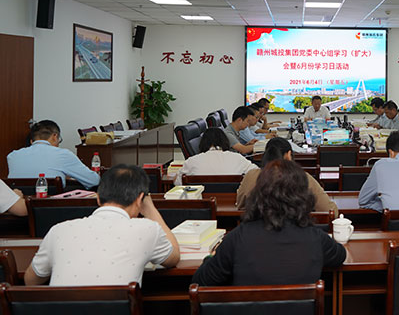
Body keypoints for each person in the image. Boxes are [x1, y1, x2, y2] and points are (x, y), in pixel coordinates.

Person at [193, 159, 346, 286]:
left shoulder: (236, 238)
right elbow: (340, 255)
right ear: (302, 196)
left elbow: (200, 281)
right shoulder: (316, 238)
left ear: (259, 193)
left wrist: (212, 256)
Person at [24, 164, 179, 286]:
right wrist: (150, 209)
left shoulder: (58, 230)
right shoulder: (147, 229)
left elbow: (31, 280)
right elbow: (173, 258)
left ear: (98, 198)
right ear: (140, 199)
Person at [236, 137, 338, 216]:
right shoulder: (303, 178)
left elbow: (240, 205)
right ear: (288, 155)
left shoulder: (251, 176)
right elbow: (329, 210)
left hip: (257, 235)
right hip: (295, 234)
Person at [7, 120, 100, 189]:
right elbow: (94, 181)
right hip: (51, 206)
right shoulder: (63, 154)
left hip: (19, 204)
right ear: (55, 136)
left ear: (32, 140)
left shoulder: (12, 156)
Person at [174, 128, 259, 186]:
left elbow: (178, 182)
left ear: (202, 143)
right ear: (225, 141)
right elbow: (257, 174)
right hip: (232, 203)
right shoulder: (237, 158)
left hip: (201, 204)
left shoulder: (192, 161)